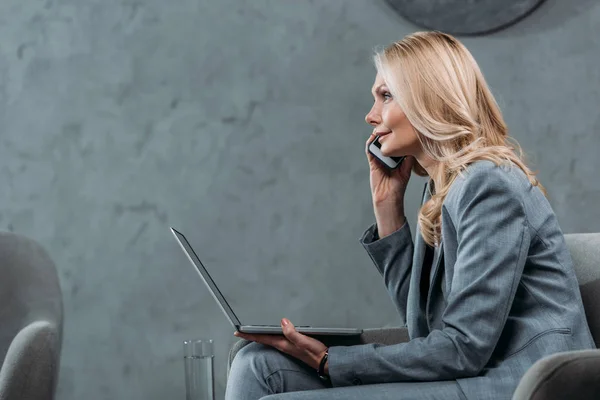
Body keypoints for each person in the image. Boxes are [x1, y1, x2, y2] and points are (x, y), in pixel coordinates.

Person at [225, 31, 596, 400]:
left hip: (514, 383)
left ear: (429, 100)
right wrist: (388, 207)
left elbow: (463, 348)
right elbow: (422, 324)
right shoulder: (444, 187)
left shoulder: (489, 185)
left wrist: (329, 360)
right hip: (466, 374)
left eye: (386, 96)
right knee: (257, 364)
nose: (371, 116)